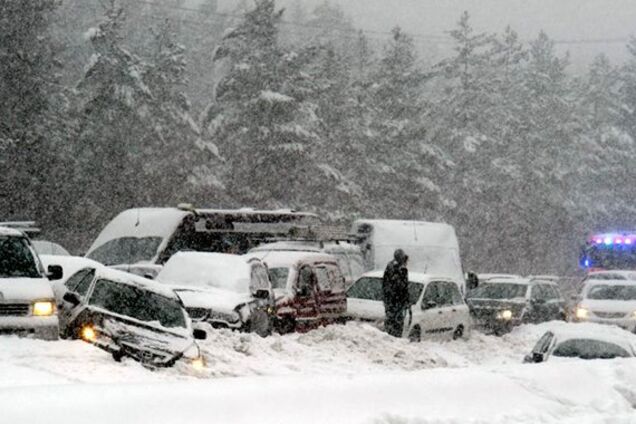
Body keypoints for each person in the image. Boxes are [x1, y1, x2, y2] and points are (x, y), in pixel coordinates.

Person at [382, 249, 409, 337]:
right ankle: (393, 335)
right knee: (394, 322)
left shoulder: (395, 267)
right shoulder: (394, 268)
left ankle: (394, 335)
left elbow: (404, 286)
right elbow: (399, 285)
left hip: (395, 300)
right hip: (394, 300)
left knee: (396, 321)